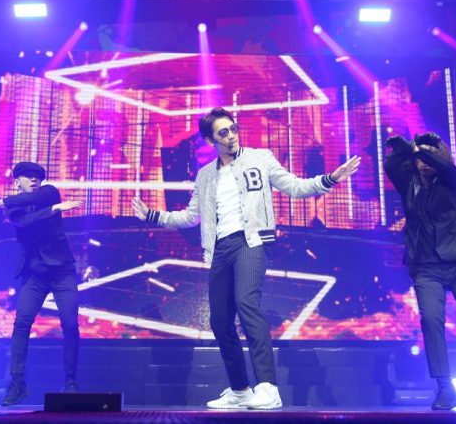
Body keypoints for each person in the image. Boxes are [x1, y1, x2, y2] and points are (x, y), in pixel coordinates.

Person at [132, 107, 361, 410]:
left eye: (233, 129)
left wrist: (329, 179)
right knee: (220, 321)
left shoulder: (260, 158)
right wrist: (152, 215)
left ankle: (268, 387)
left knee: (246, 303)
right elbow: (190, 216)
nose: (231, 136)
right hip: (219, 249)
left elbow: (294, 186)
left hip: (251, 242)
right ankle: (240, 389)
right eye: (223, 132)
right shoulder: (205, 176)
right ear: (210, 140)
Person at [384, 132, 456, 410]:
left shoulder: (450, 179)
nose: (424, 163)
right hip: (425, 267)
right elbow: (391, 165)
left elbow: (445, 165)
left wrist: (419, 149)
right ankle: (445, 388)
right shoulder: (409, 182)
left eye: (429, 157)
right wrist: (405, 149)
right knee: (430, 320)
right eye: (419, 158)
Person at [0, 161, 82, 406]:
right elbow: (24, 222)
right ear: (17, 182)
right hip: (34, 274)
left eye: (37, 176)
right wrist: (53, 210)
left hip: (62, 271)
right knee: (21, 323)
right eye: (27, 176)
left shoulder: (49, 192)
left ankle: (70, 381)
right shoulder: (16, 208)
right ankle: (17, 383)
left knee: (70, 323)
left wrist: (2, 201)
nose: (34, 179)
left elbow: (37, 200)